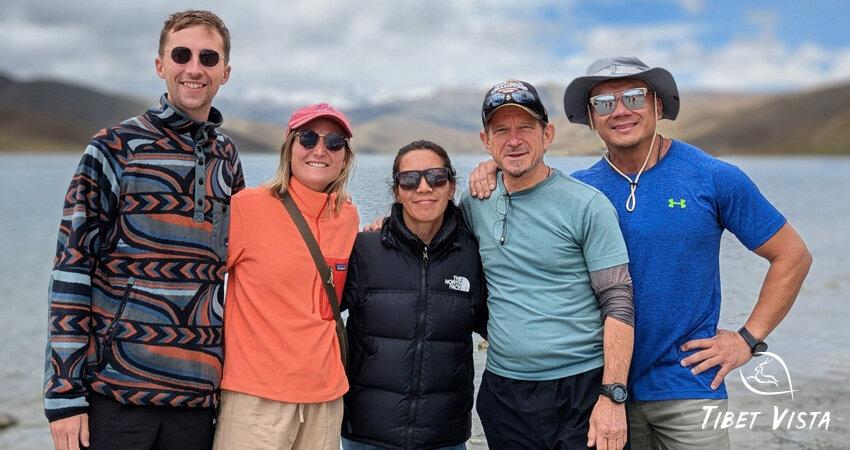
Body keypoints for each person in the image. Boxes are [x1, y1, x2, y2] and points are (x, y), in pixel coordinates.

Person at [469, 57, 812, 449]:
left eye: (633, 97)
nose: (619, 111)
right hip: (599, 388)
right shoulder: (582, 191)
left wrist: (747, 339)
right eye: (603, 103)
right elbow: (530, 191)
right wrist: (494, 169)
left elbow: (792, 255)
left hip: (687, 386)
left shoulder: (712, 177)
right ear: (591, 118)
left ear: (658, 106)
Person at [44, 10, 242, 450]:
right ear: (160, 65)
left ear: (225, 72)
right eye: (181, 55)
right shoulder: (113, 147)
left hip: (197, 400)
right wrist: (63, 394)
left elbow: (248, 256)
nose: (194, 68)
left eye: (208, 57)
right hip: (116, 394)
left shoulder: (227, 158)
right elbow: (71, 270)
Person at [461, 80, 636, 450]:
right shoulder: (475, 202)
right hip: (504, 392)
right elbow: (430, 239)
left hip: (581, 388)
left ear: (547, 135)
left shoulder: (587, 205)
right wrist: (383, 227)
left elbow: (618, 300)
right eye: (501, 131)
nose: (514, 140)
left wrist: (613, 395)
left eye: (525, 127)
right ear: (486, 141)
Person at [212, 103, 359, 450]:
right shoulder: (247, 207)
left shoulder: (348, 217)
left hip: (325, 398)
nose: (320, 150)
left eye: (334, 142)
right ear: (289, 148)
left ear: (344, 158)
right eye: (308, 138)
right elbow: (195, 279)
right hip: (255, 398)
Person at [340, 140, 488, 450]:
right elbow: (315, 312)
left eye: (436, 177)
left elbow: (501, 326)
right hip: (367, 434)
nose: (423, 187)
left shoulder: (473, 255)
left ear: (452, 186)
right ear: (397, 191)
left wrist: (495, 168)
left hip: (443, 436)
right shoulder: (365, 250)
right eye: (409, 179)